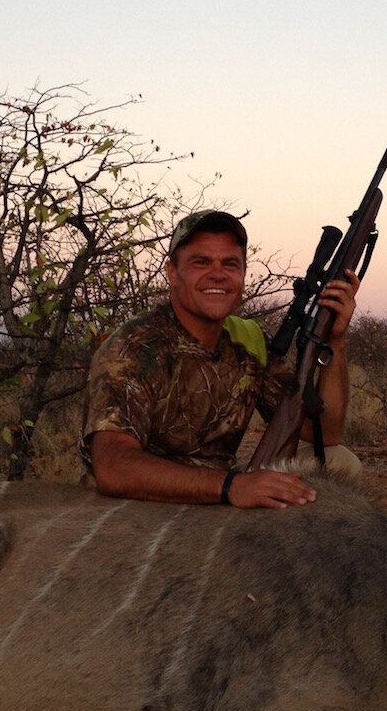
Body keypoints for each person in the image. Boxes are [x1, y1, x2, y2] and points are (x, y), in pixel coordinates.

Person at [83, 210, 360, 508]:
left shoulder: (249, 340)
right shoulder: (133, 347)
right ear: (172, 273)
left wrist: (335, 340)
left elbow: (325, 434)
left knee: (339, 462)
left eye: (230, 264)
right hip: (143, 502)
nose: (218, 274)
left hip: (220, 493)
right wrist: (230, 486)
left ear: (242, 275)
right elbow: (112, 468)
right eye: (201, 262)